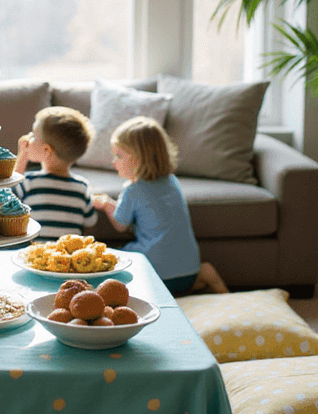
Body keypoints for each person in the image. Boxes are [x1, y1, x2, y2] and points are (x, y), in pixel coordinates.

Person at [93, 115, 229, 296]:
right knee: (187, 273)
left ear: (139, 159)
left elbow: (121, 224)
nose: (113, 161)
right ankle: (204, 277)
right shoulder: (172, 181)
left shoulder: (133, 190)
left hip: (154, 276)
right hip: (189, 273)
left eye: (119, 155)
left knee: (109, 258)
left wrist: (106, 204)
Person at [13, 106, 97, 240]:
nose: (29, 138)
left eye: (33, 135)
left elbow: (5, 198)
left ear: (46, 150)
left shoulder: (29, 182)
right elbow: (90, 221)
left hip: (35, 255)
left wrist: (22, 157)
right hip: (68, 256)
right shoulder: (83, 187)